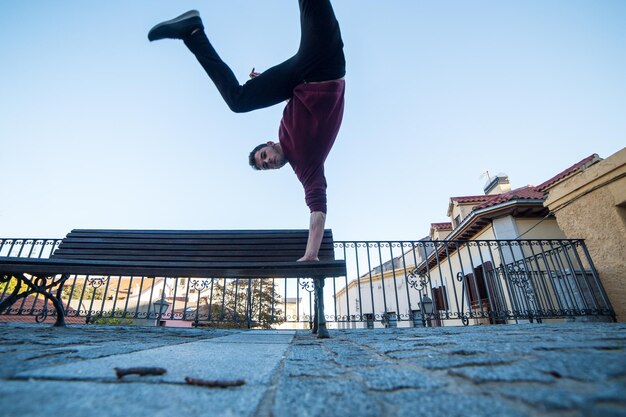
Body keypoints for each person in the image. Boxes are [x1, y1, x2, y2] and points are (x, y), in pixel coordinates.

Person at [148, 1, 345, 262]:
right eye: (265, 166)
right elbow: (318, 209)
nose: (268, 161)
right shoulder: (306, 167)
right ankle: (193, 33)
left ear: (268, 144)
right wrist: (311, 255)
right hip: (325, 67)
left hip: (295, 77)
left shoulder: (283, 129)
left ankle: (192, 33)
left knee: (239, 101)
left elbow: (296, 103)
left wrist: (265, 82)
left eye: (263, 156)